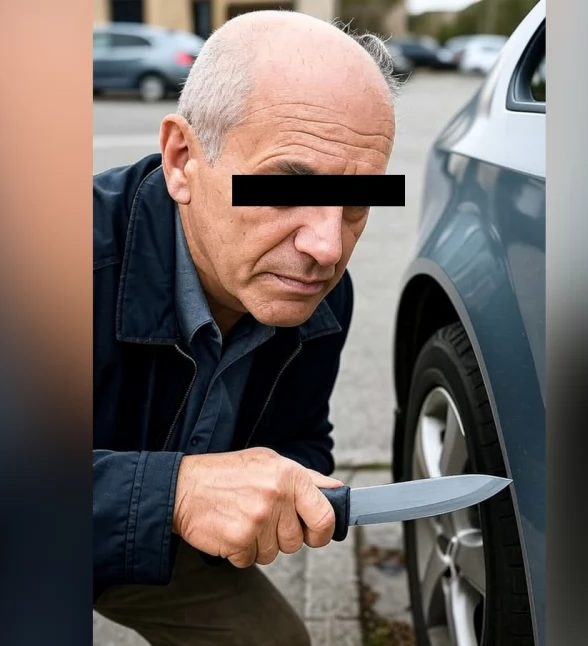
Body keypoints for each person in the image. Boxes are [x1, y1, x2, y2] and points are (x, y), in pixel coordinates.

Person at [91, 10, 399, 646]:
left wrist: (288, 490)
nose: (325, 246)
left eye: (358, 200)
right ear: (182, 160)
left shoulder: (318, 294)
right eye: (285, 188)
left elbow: (302, 434)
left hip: (152, 545)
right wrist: (176, 494)